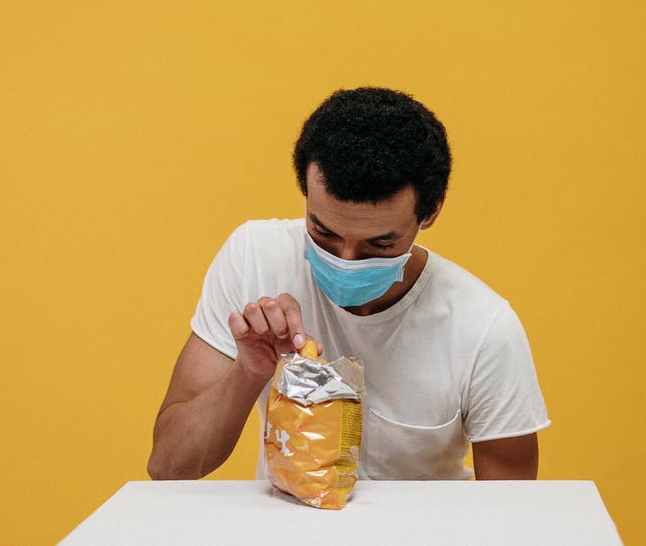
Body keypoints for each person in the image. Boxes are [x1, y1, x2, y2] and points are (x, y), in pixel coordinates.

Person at [147, 87, 549, 481]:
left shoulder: (484, 328)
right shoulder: (254, 257)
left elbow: (508, 514)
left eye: (380, 243)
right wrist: (248, 372)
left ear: (431, 213)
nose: (346, 262)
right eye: (323, 233)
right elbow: (169, 467)